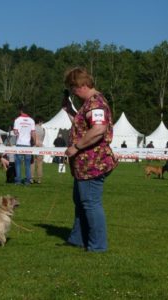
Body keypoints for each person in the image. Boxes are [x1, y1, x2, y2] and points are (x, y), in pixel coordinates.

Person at [63, 67, 118, 252]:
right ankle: (78, 239)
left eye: (74, 88)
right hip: (85, 164)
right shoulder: (89, 104)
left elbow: (98, 129)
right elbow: (83, 125)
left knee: (91, 203)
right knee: (81, 201)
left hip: (93, 164)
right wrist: (69, 109)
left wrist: (76, 147)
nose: (74, 93)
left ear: (83, 85)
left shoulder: (96, 104)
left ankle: (97, 246)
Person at [13, 104, 36, 185]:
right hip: (28, 145)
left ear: (21, 111)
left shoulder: (17, 120)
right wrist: (35, 143)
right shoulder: (32, 120)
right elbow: (33, 133)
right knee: (27, 164)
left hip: (19, 143)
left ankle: (18, 180)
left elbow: (15, 132)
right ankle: (27, 181)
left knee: (18, 164)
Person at [30, 116, 45, 184]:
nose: (42, 122)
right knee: (40, 164)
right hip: (41, 147)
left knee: (32, 163)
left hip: (33, 146)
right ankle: (39, 179)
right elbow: (42, 139)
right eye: (42, 121)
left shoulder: (32, 128)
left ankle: (31, 178)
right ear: (39, 121)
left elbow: (31, 137)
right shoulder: (43, 129)